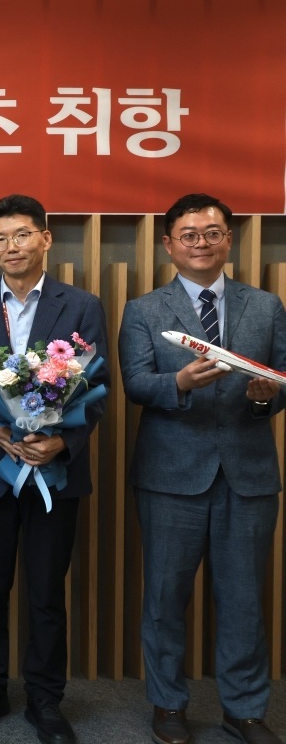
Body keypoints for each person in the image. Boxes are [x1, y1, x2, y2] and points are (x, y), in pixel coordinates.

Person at [119, 194, 286, 744]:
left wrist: (266, 398)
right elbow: (135, 383)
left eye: (212, 233)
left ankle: (245, 710)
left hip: (248, 473)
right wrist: (179, 383)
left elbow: (282, 378)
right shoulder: (144, 310)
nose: (201, 243)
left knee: (244, 599)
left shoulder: (266, 306)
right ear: (168, 244)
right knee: (165, 599)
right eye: (188, 235)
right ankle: (168, 704)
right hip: (170, 474)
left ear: (229, 240)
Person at [0, 195, 108, 744]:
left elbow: (96, 385)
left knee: (46, 590)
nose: (11, 246)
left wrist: (62, 441)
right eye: (0, 238)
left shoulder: (81, 305)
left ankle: (45, 698)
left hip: (53, 472)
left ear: (45, 238)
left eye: (21, 235)